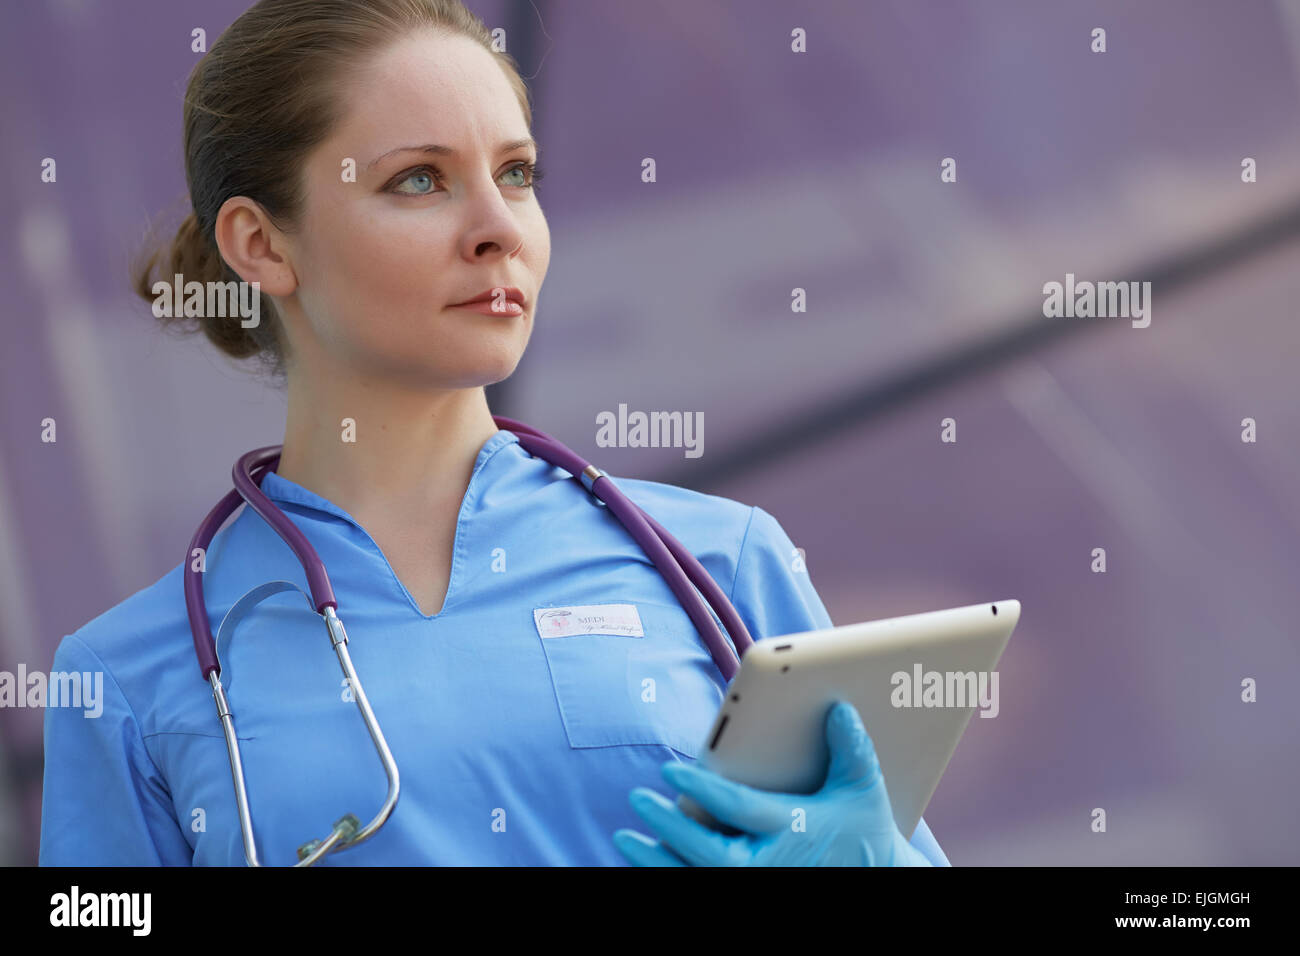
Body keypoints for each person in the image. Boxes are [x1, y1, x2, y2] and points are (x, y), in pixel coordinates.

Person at [38, 0, 948, 867]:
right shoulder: (127, 682)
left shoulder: (724, 567)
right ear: (262, 246)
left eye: (515, 175)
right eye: (420, 181)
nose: (497, 230)